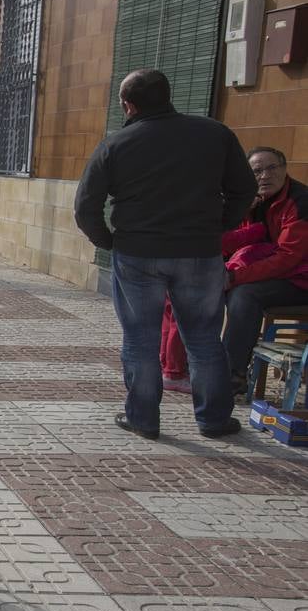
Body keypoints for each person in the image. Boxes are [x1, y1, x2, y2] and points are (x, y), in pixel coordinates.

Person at [74, 68, 256, 439]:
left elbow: (85, 207)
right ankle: (214, 420)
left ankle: (142, 418)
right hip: (200, 252)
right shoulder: (215, 134)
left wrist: (107, 241)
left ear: (128, 105)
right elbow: (244, 189)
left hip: (138, 253)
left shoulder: (116, 145)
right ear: (168, 96)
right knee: (204, 336)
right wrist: (219, 225)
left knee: (140, 337)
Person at [220, 146, 308, 396]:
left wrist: (235, 277)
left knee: (245, 294)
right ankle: (197, 366)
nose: (264, 176)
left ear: (284, 169)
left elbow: (288, 258)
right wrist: (243, 210)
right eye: (257, 171)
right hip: (281, 276)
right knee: (220, 290)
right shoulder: (253, 201)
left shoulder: (300, 201)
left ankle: (231, 375)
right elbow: (232, 243)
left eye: (272, 168)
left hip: (301, 280)